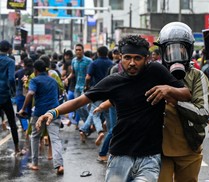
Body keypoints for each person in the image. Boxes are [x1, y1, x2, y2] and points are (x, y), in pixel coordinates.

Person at [36, 35, 191, 182]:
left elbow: (186, 94)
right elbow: (79, 101)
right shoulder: (113, 81)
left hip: (149, 157)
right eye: (127, 57)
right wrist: (53, 112)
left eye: (137, 58)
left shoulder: (156, 72)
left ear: (146, 59)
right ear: (120, 58)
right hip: (120, 155)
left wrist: (168, 89)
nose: (132, 63)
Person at [154, 22, 209, 182]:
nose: (176, 53)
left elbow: (203, 113)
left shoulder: (197, 77)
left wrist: (175, 100)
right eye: (170, 49)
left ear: (189, 50)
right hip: (158, 148)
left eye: (181, 49)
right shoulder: (153, 73)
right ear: (162, 51)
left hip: (189, 147)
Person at [17, 59, 64, 174]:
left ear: (36, 70)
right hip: (54, 112)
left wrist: (23, 109)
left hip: (39, 113)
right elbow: (58, 94)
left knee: (35, 137)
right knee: (55, 138)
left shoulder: (35, 80)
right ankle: (59, 165)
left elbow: (30, 93)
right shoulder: (53, 80)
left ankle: (35, 164)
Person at [80, 46, 113, 145]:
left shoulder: (94, 63)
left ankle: (99, 131)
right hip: (109, 92)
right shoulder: (111, 64)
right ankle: (110, 134)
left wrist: (86, 86)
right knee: (107, 114)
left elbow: (88, 77)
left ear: (98, 53)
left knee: (95, 113)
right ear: (107, 53)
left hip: (97, 91)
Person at [0, 40, 20, 155]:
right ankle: (17, 148)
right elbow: (12, 79)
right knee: (12, 122)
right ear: (8, 49)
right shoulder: (10, 61)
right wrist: (13, 91)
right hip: (5, 95)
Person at [65, 43, 92, 130]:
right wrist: (67, 79)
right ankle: (86, 125)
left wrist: (88, 85)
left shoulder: (89, 61)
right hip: (77, 87)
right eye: (76, 50)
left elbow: (91, 75)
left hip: (86, 87)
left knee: (83, 107)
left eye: (80, 50)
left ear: (83, 51)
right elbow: (73, 73)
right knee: (77, 107)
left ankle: (89, 124)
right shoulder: (74, 61)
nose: (78, 51)